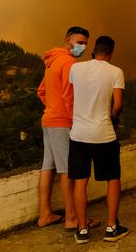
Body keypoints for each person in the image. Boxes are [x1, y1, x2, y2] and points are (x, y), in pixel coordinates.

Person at [68, 36, 128, 244]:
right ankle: (112, 227)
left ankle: (82, 229)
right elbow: (118, 104)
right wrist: (114, 118)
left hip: (78, 135)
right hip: (104, 135)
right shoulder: (115, 72)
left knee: (80, 181)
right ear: (110, 53)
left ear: (94, 50)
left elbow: (74, 95)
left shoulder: (76, 69)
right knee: (113, 179)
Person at [36, 26, 90, 230]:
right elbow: (70, 97)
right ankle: (72, 218)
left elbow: (41, 91)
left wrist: (52, 107)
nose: (82, 46)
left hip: (48, 120)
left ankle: (45, 214)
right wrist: (74, 119)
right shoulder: (68, 62)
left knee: (47, 167)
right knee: (69, 170)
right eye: (79, 42)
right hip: (61, 122)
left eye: (85, 43)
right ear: (68, 40)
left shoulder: (52, 61)